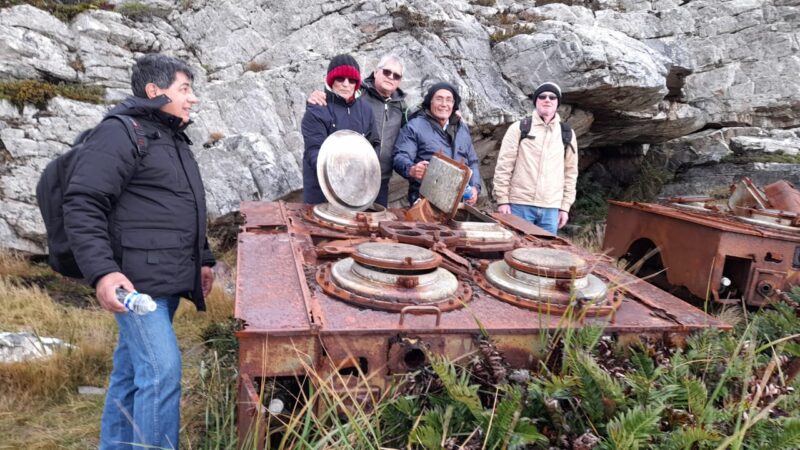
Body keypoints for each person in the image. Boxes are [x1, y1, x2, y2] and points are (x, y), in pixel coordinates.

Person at [62, 54, 215, 449]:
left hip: (165, 277)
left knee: (131, 374)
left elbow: (185, 206)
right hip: (137, 284)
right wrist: (103, 272)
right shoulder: (120, 133)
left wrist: (204, 259)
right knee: (162, 373)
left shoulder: (171, 137)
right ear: (154, 90)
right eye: (184, 89)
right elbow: (83, 203)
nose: (193, 98)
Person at [307, 54, 407, 206]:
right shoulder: (357, 94)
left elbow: (408, 133)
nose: (391, 77)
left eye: (396, 75)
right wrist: (316, 96)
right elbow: (333, 100)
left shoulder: (401, 106)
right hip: (337, 181)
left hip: (376, 180)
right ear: (376, 72)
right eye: (387, 72)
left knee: (372, 220)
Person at [492, 82, 578, 234]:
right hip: (519, 205)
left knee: (546, 248)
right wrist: (502, 200)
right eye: (542, 96)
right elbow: (504, 166)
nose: (547, 100)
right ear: (536, 101)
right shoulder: (520, 128)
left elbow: (570, 173)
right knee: (516, 247)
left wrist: (565, 207)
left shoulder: (567, 134)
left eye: (552, 97)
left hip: (551, 209)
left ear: (557, 102)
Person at [301, 54, 380, 204]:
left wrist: (364, 174)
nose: (346, 84)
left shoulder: (366, 109)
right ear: (331, 81)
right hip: (321, 192)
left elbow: (374, 144)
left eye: (352, 80)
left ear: (356, 84)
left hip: (355, 191)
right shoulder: (317, 108)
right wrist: (340, 175)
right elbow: (314, 151)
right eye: (340, 79)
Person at [393, 82, 481, 205]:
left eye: (449, 100)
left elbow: (472, 162)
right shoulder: (415, 126)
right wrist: (412, 169)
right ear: (430, 102)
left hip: (458, 203)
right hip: (424, 202)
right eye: (439, 99)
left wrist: (475, 187)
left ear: (454, 104)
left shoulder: (462, 128)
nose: (444, 104)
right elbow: (400, 156)